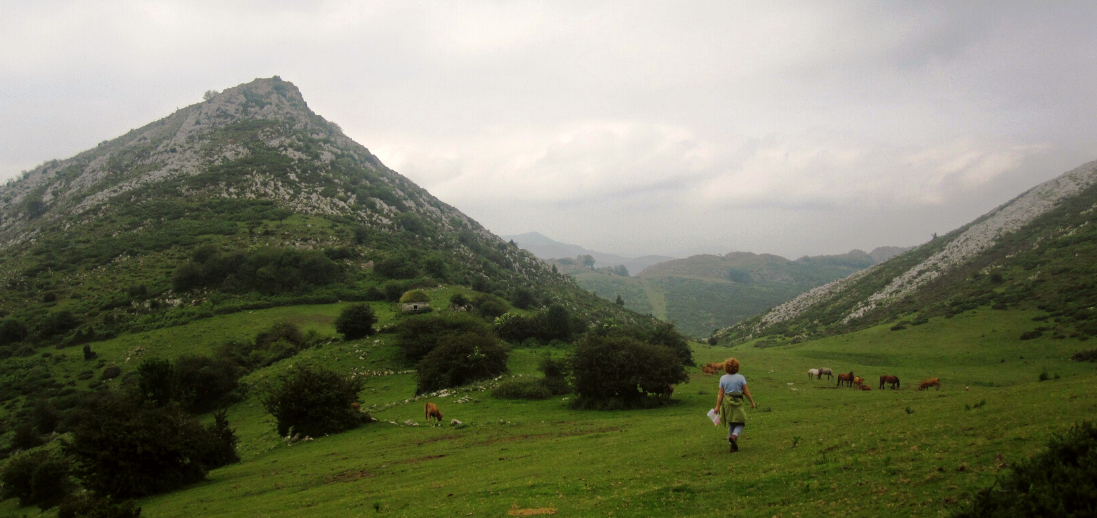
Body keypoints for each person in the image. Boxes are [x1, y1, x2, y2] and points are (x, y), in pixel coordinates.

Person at [714, 357, 756, 452]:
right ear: (737, 367)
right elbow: (746, 392)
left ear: (725, 367)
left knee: (731, 423)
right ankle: (734, 436)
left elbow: (720, 393)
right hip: (738, 401)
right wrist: (752, 402)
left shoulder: (723, 378)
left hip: (727, 403)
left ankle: (731, 446)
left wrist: (717, 407)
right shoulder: (741, 378)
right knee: (741, 422)